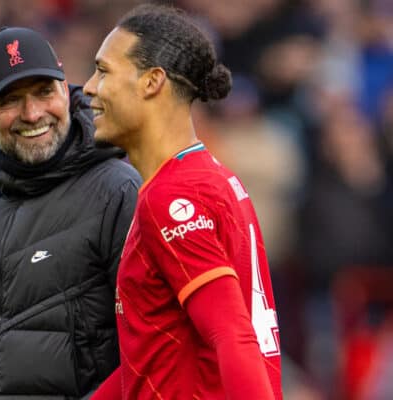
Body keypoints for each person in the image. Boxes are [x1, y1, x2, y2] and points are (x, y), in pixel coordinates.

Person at [0, 27, 141, 399]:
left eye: (43, 92)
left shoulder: (118, 191)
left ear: (64, 88)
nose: (32, 113)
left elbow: (146, 352)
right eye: (10, 100)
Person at [83, 4, 282, 399]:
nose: (89, 86)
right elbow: (152, 358)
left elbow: (232, 335)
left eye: (103, 71)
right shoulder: (208, 178)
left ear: (152, 82)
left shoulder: (175, 196)